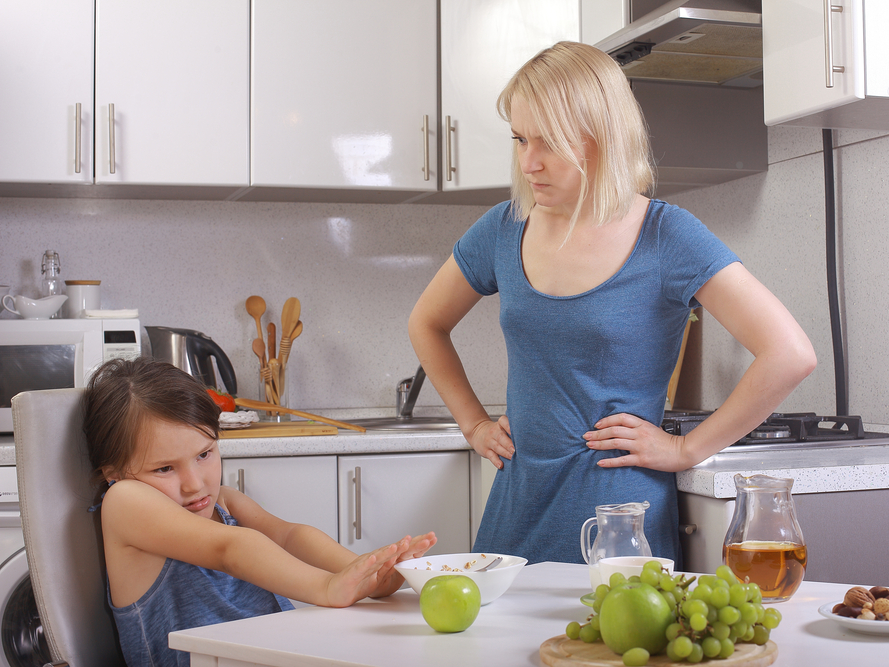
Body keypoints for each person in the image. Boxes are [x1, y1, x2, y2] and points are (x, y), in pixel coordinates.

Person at [407, 41, 816, 566]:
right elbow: (426, 322)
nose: (528, 162)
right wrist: (473, 424)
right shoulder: (504, 227)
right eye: (520, 139)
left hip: (618, 519)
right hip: (516, 506)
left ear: (603, 137)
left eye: (549, 142)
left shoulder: (667, 235)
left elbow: (789, 353)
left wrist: (687, 448)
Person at [84, 357, 436, 667]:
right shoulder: (124, 501)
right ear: (114, 473)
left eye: (204, 454)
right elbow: (229, 549)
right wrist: (328, 587)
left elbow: (289, 536)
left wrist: (365, 573)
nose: (194, 484)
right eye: (164, 469)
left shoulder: (224, 502)